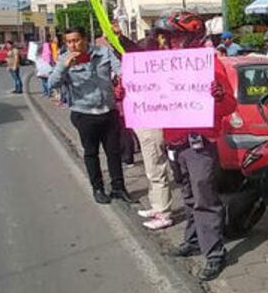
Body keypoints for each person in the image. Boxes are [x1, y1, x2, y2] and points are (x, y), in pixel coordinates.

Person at [160, 12, 237, 282]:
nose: (171, 41)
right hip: (174, 141)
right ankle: (193, 241)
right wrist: (125, 94)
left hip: (199, 143)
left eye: (177, 36)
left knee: (205, 197)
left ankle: (214, 253)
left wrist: (219, 96)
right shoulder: (163, 65)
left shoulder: (210, 63)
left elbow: (230, 105)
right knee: (188, 195)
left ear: (193, 37)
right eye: (169, 36)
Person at [48, 26, 137, 205]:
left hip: (108, 111)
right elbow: (52, 83)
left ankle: (118, 188)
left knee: (114, 152)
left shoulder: (103, 52)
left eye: (76, 40)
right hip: (84, 114)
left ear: (85, 39)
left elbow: (120, 69)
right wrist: (64, 67)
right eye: (69, 42)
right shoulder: (64, 59)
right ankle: (98, 188)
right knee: (91, 153)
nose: (73, 45)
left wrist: (124, 77)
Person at [113, 20, 177, 231]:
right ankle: (156, 205)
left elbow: (131, 52)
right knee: (152, 168)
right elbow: (128, 54)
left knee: (156, 168)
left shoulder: (157, 69)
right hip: (143, 121)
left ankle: (163, 212)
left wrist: (119, 39)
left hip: (152, 123)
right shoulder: (144, 68)